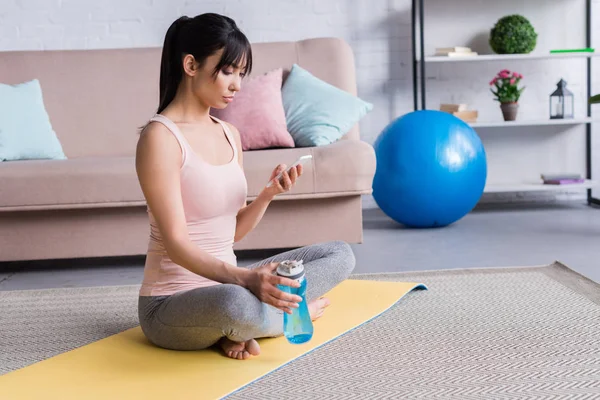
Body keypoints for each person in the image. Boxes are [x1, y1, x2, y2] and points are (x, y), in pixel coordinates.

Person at [135, 13, 355, 360]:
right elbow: (176, 245)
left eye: (241, 73)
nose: (237, 84)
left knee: (339, 254)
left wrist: (268, 194)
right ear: (190, 64)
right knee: (233, 302)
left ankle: (243, 326)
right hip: (171, 303)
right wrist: (247, 280)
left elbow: (231, 233)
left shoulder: (229, 134)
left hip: (231, 282)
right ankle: (288, 317)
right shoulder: (160, 138)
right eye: (227, 71)